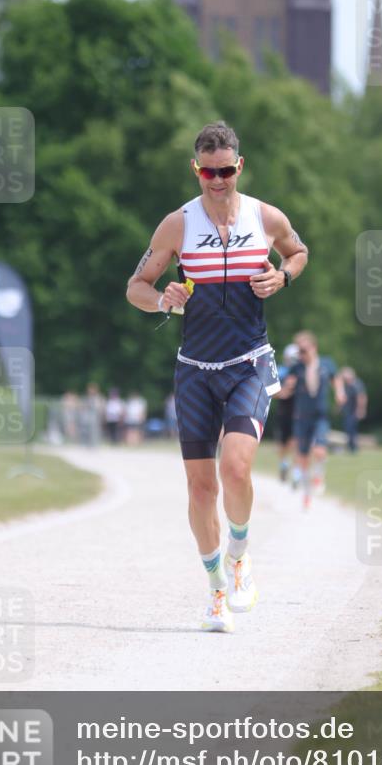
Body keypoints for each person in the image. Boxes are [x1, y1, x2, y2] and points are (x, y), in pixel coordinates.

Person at [126, 121, 308, 632]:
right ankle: (215, 592)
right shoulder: (176, 226)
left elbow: (298, 250)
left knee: (236, 469)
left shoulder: (265, 217)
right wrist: (162, 298)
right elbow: (136, 286)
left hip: (249, 363)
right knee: (200, 489)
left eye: (226, 170)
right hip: (195, 372)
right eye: (208, 171)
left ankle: (241, 553)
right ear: (196, 169)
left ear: (239, 167)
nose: (218, 180)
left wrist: (284, 275)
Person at [284, 330, 344, 510]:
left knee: (319, 450)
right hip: (301, 417)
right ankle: (306, 494)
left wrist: (340, 393)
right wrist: (285, 388)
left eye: (304, 350)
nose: (301, 354)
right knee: (302, 458)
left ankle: (318, 475)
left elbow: (337, 379)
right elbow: (289, 384)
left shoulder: (326, 364)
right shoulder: (297, 368)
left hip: (320, 416)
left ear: (314, 347)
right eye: (299, 351)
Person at [273, 342, 299, 482]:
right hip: (283, 411)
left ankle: (296, 472)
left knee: (295, 442)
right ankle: (284, 464)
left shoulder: (301, 372)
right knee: (282, 444)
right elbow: (272, 391)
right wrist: (284, 392)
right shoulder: (281, 371)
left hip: (297, 412)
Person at [338, 367, 368, 453]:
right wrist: (339, 408)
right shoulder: (346, 385)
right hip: (347, 411)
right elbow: (343, 398)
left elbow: (361, 397)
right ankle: (351, 447)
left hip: (354, 411)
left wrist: (361, 410)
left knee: (352, 429)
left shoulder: (357, 384)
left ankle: (354, 448)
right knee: (348, 429)